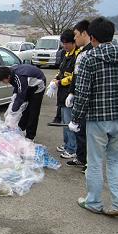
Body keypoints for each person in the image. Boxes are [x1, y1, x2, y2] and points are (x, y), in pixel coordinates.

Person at [70, 17, 118, 216]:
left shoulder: (89, 58)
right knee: (116, 162)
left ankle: (94, 202)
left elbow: (83, 93)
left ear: (92, 37)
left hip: (98, 118)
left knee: (95, 161)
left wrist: (75, 118)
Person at [65, 20, 92, 173]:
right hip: (78, 95)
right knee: (80, 130)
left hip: (87, 99)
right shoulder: (82, 52)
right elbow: (76, 75)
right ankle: (81, 157)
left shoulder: (90, 53)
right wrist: (71, 92)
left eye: (76, 35)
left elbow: (85, 79)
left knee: (87, 131)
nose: (74, 38)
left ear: (84, 33)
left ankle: (89, 162)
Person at [0, 64, 46, 141]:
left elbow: (21, 96)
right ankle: (21, 129)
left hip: (38, 86)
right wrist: (14, 95)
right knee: (24, 109)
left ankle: (30, 136)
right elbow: (17, 87)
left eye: (2, 80)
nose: (2, 82)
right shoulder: (10, 74)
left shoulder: (20, 77)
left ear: (8, 77)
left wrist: (12, 112)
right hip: (27, 85)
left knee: (33, 111)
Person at [52, 29, 80, 159]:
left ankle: (72, 148)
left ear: (73, 42)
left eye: (66, 43)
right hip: (62, 93)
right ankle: (66, 143)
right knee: (64, 121)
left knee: (69, 122)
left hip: (70, 93)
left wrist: (59, 82)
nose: (65, 46)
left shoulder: (77, 55)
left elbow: (74, 77)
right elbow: (61, 70)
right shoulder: (66, 54)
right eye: (63, 44)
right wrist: (55, 79)